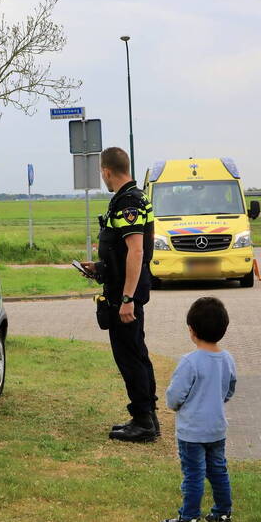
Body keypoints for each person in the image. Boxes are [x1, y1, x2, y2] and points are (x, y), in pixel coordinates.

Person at [81, 147, 160, 443]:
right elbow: (121, 251)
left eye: (101, 173)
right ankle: (147, 416)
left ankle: (143, 421)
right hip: (124, 288)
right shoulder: (133, 198)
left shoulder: (128, 201)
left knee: (129, 356)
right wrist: (100, 268)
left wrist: (127, 299)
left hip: (125, 295)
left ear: (106, 171)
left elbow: (136, 250)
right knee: (137, 352)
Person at [160, 297, 237, 522]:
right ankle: (223, 512)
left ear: (191, 330)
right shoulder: (227, 359)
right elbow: (229, 388)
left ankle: (189, 519)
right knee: (218, 469)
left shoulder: (189, 362)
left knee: (193, 474)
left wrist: (176, 406)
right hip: (216, 428)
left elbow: (175, 396)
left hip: (192, 430)